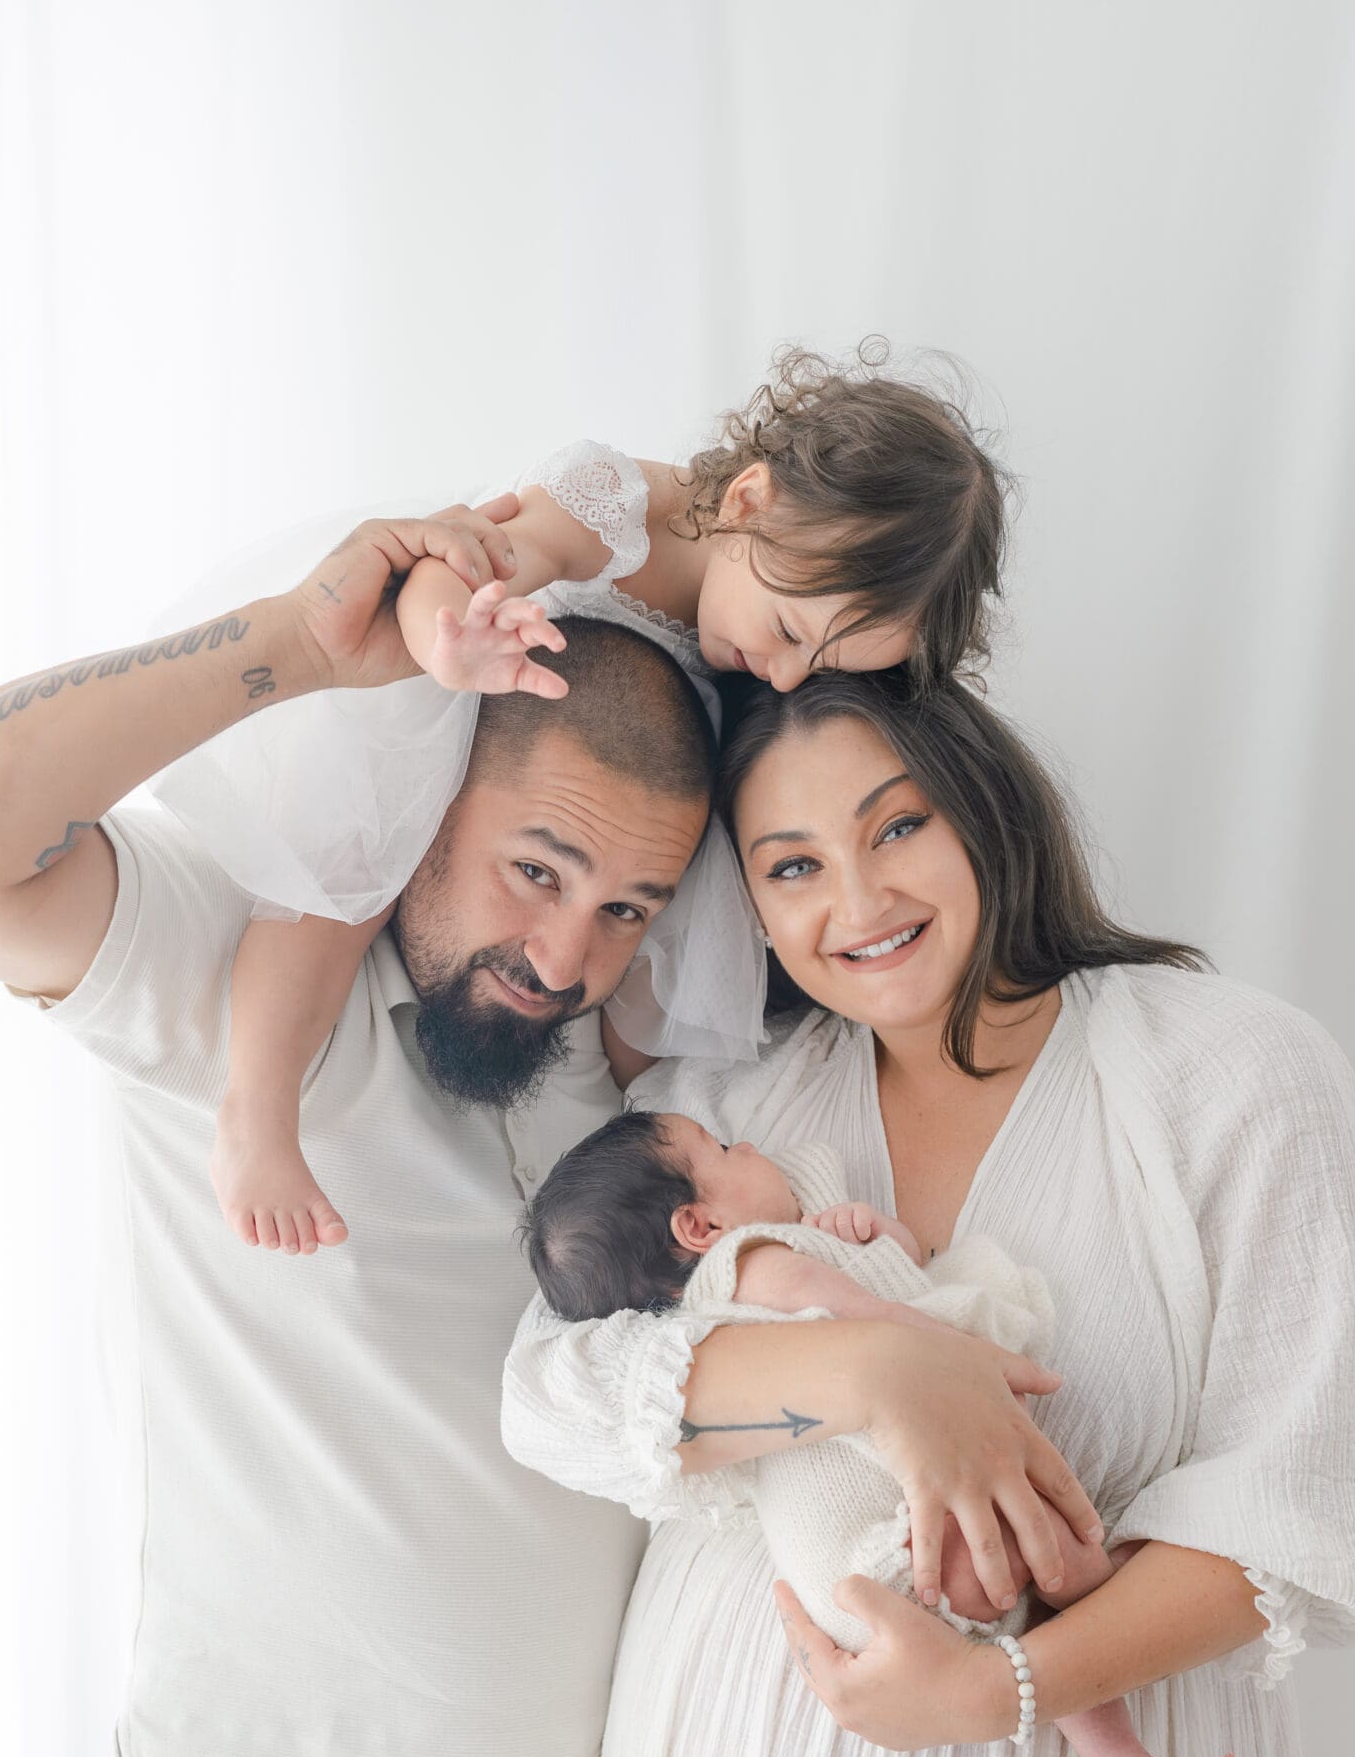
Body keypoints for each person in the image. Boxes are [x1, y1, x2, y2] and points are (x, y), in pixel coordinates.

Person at [0, 507, 1089, 1757]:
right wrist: (299, 642)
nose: (566, 956)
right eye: (532, 871)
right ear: (416, 806)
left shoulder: (622, 1079)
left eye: (628, 903)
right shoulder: (227, 984)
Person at [502, 668, 1355, 1757]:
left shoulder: (1233, 1076)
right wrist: (873, 1373)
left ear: (987, 810)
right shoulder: (728, 1109)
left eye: (893, 827)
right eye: (788, 866)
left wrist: (1002, 1693)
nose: (851, 900)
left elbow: (1309, 1505)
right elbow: (556, 1398)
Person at [154, 345, 1010, 1254]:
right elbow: (456, 563)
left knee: (652, 1011)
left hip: (645, 796)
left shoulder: (779, 638)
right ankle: (256, 1111)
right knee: (338, 887)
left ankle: (651, 1210)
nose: (791, 674)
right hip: (483, 702)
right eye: (790, 632)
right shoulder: (614, 503)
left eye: (830, 665)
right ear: (749, 503)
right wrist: (452, 646)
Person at [522, 1106, 1238, 1757]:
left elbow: (899, 1268)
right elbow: (881, 1321)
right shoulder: (758, 1263)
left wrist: (875, 1234)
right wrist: (973, 1364)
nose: (751, 1146)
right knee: (1064, 1561)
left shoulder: (727, 1302)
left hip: (849, 1580)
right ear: (699, 1228)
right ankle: (1120, 1744)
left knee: (1042, 1574)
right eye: (726, 1149)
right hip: (883, 1554)